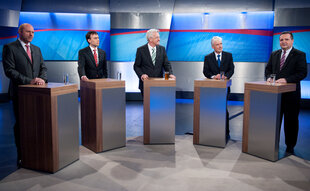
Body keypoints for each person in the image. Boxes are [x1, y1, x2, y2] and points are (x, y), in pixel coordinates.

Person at [2, 23, 47, 167]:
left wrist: (42, 79)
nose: (31, 34)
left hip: (38, 94)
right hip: (20, 94)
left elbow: (43, 68)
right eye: (28, 32)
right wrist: (29, 81)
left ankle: (37, 152)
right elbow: (9, 70)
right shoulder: (10, 48)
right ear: (20, 32)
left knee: (38, 124)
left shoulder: (37, 49)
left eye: (33, 32)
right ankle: (22, 155)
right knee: (22, 125)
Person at [265, 31, 307, 154]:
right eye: (281, 40)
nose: (283, 42)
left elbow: (302, 73)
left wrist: (287, 80)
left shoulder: (299, 55)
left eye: (286, 39)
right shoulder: (274, 54)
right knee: (275, 120)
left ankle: (290, 146)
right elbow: (268, 69)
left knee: (291, 121)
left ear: (292, 41)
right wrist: (268, 77)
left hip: (291, 95)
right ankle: (273, 142)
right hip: (275, 95)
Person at [203, 36, 235, 139]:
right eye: (217, 44)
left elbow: (231, 69)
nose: (220, 46)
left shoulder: (228, 56)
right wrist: (213, 77)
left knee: (223, 109)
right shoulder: (208, 57)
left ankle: (226, 132)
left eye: (221, 44)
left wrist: (226, 76)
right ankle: (213, 130)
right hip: (212, 88)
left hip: (224, 87)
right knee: (213, 109)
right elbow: (205, 72)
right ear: (213, 46)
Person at [134, 29, 176, 95]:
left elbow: (166, 64)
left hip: (159, 83)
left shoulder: (162, 49)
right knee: (148, 104)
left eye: (159, 37)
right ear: (150, 39)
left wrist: (169, 74)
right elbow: (136, 66)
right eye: (157, 37)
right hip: (146, 83)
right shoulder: (141, 50)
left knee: (159, 104)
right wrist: (142, 75)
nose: (159, 39)